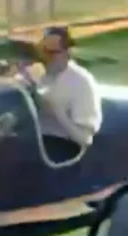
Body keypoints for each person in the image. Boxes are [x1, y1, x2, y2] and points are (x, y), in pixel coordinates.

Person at [29, 26, 103, 161]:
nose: (46, 58)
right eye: (43, 51)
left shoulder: (81, 82)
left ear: (67, 53)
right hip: (33, 140)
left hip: (62, 144)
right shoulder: (34, 75)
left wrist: (56, 112)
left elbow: (85, 139)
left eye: (52, 53)